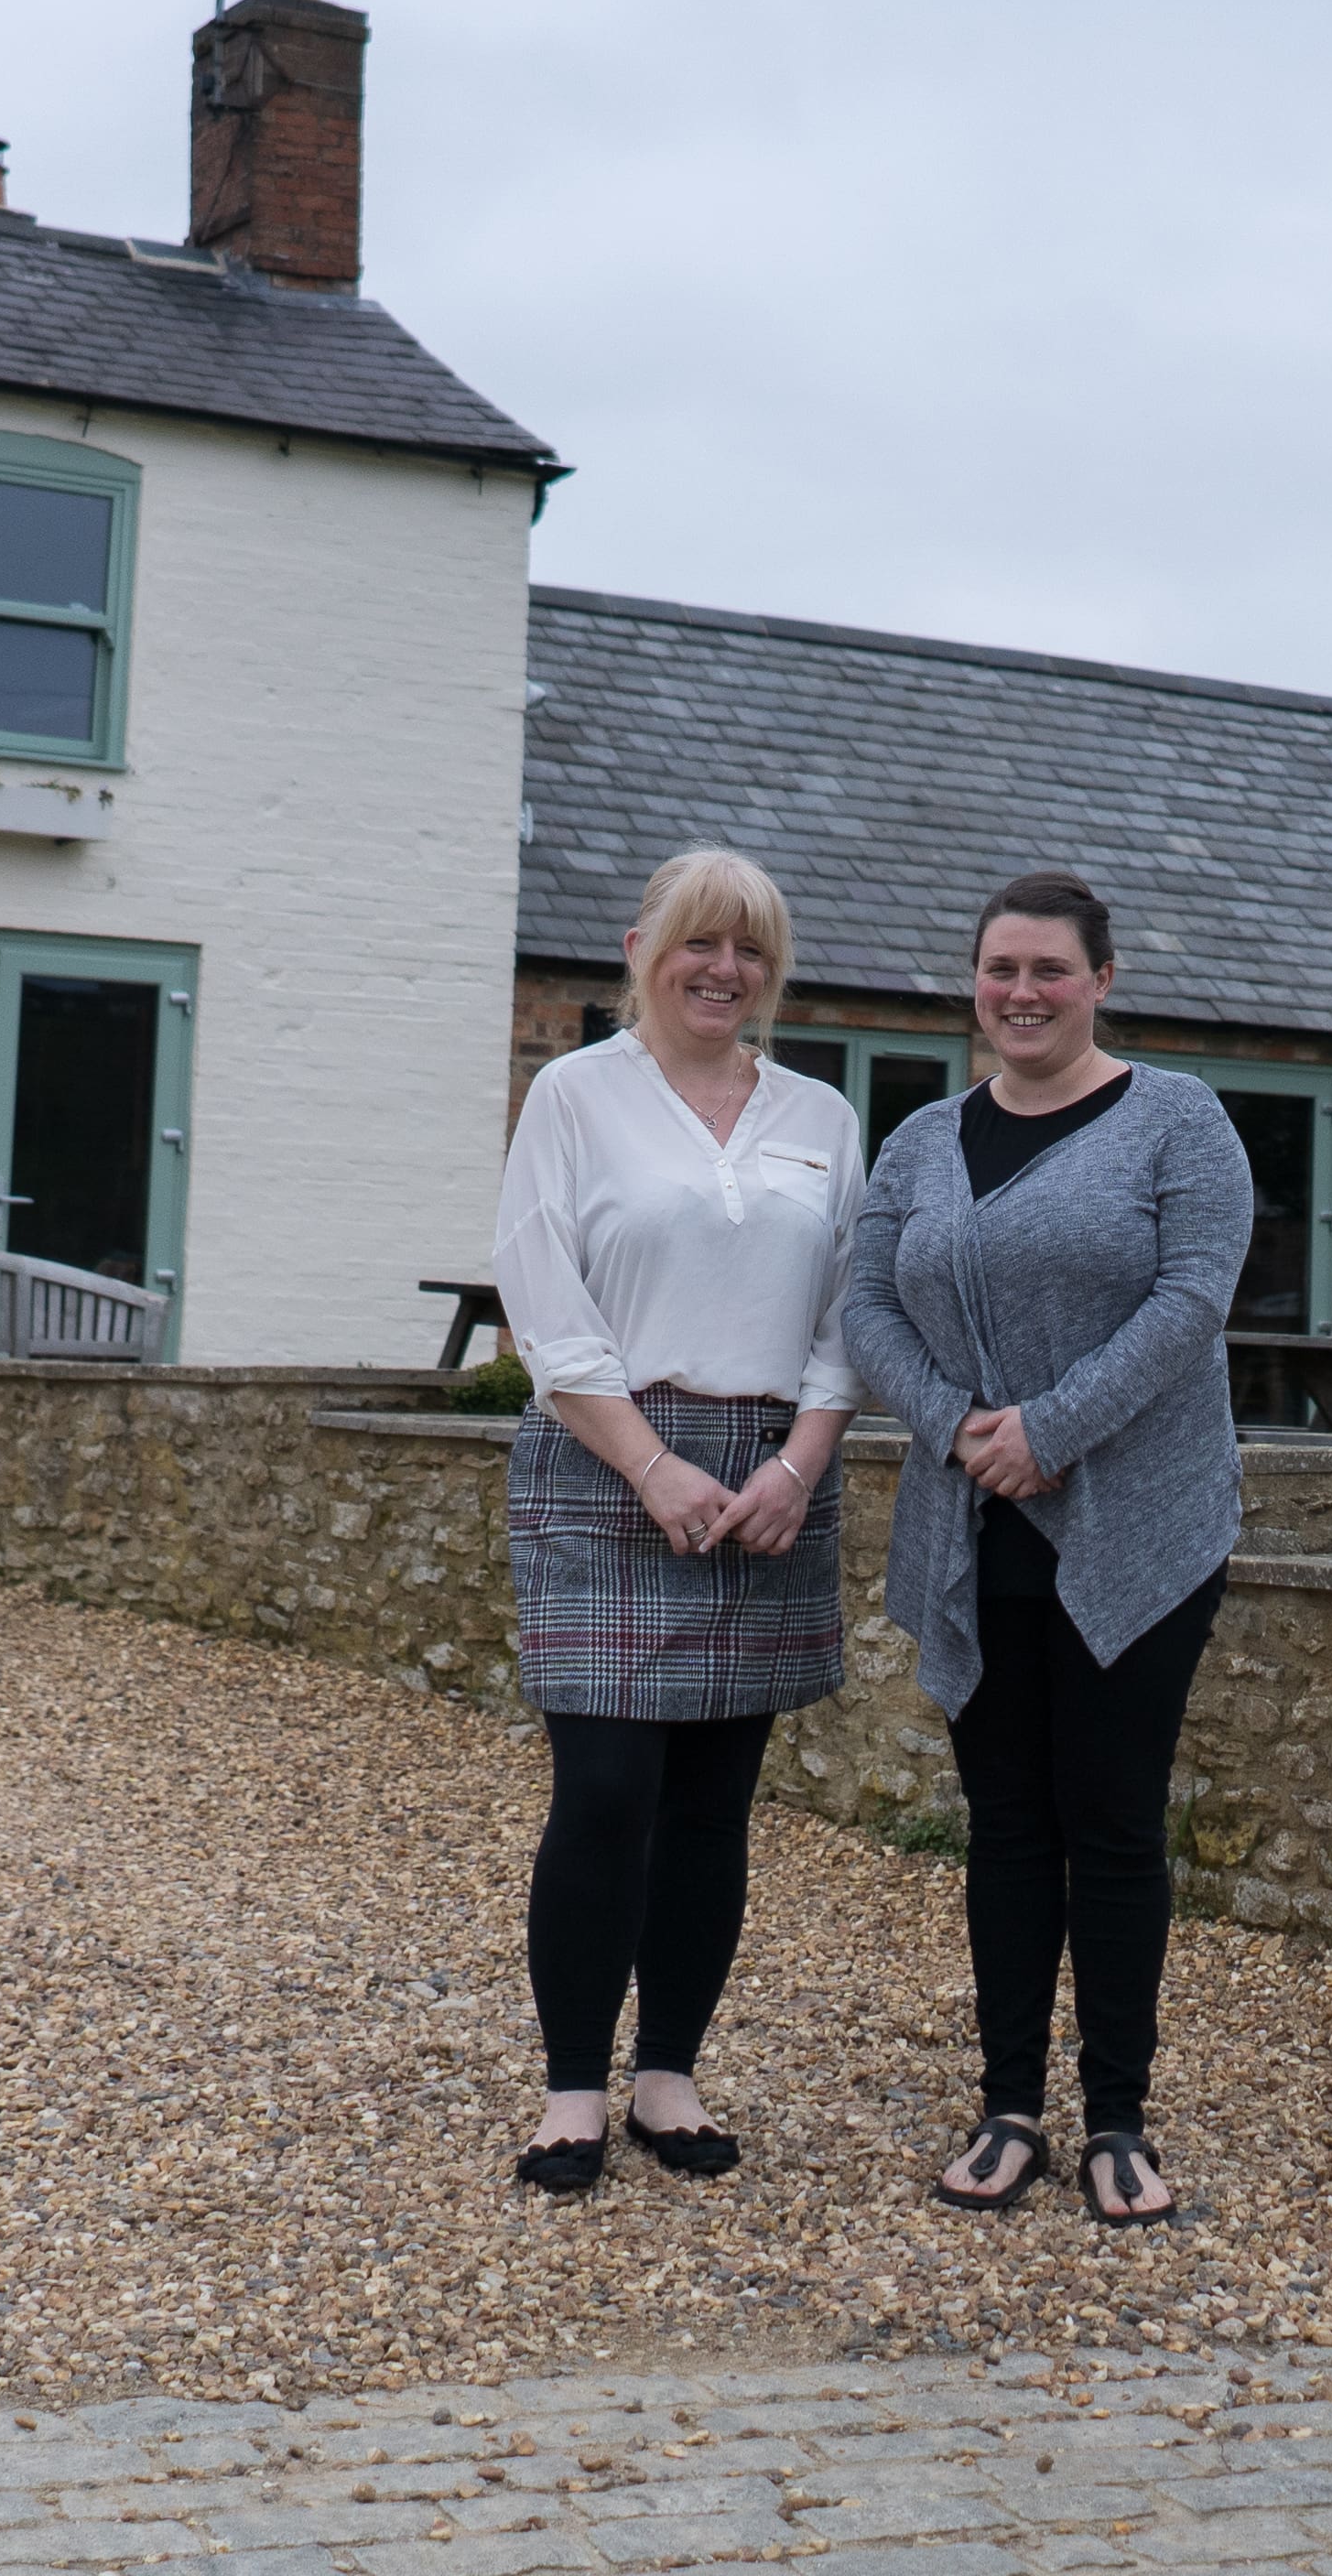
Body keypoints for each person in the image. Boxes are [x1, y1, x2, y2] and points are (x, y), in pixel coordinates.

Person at [839, 868, 1253, 2229]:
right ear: (976, 982)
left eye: (1051, 971)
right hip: (975, 1524)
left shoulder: (1176, 1123)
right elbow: (865, 1307)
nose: (1023, 993)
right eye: (1001, 969)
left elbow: (1194, 1297)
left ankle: (1120, 2120)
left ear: (1101, 982)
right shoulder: (919, 1142)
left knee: (1116, 1826)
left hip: (1135, 1524)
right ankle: (1010, 2104)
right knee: (1009, 1828)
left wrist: (1054, 1431)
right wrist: (964, 1430)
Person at [488, 847, 861, 2197]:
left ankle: (670, 2076)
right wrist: (652, 1468)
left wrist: (798, 1469)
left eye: (751, 951)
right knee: (605, 1794)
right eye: (699, 944)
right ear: (643, 947)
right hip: (606, 1466)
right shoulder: (576, 1096)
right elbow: (543, 1296)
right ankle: (575, 2087)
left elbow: (843, 1318)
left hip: (766, 1483)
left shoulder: (821, 1115)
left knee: (713, 1805)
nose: (724, 970)